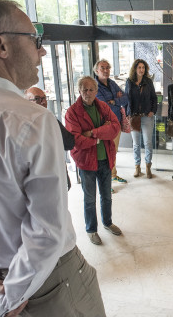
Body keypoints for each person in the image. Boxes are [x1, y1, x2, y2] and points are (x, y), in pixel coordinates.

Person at [0, 0, 106, 316]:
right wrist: (3, 303)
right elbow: (47, 233)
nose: (42, 51)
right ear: (1, 45)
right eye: (35, 40)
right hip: (50, 287)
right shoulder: (32, 119)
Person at [65, 76, 122, 245]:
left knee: (106, 196)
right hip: (86, 163)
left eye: (91, 90)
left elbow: (115, 127)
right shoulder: (72, 112)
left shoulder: (102, 106)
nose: (88, 93)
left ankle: (107, 222)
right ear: (79, 91)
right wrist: (100, 137)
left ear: (96, 91)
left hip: (105, 159)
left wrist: (93, 132)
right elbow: (76, 140)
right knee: (89, 199)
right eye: (84, 90)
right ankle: (91, 229)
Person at [25, 87, 75, 190]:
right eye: (37, 99)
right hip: (36, 183)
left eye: (44, 98)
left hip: (56, 176)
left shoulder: (51, 120)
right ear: (26, 102)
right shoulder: (22, 125)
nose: (43, 102)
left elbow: (69, 142)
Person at [94, 59, 129, 186]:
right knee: (106, 153)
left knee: (114, 151)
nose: (105, 70)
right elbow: (104, 106)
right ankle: (106, 183)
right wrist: (117, 99)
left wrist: (114, 101)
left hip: (117, 122)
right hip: (105, 125)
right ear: (96, 71)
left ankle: (113, 175)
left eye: (107, 67)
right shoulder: (95, 86)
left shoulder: (112, 83)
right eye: (102, 68)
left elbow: (126, 98)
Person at [125, 59, 158, 179]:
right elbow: (126, 99)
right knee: (136, 144)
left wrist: (153, 111)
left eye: (143, 67)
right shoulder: (129, 82)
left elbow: (154, 98)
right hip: (134, 117)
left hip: (146, 117)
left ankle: (148, 167)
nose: (141, 70)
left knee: (148, 143)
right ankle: (137, 167)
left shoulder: (148, 81)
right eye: (139, 67)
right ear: (135, 69)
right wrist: (128, 113)